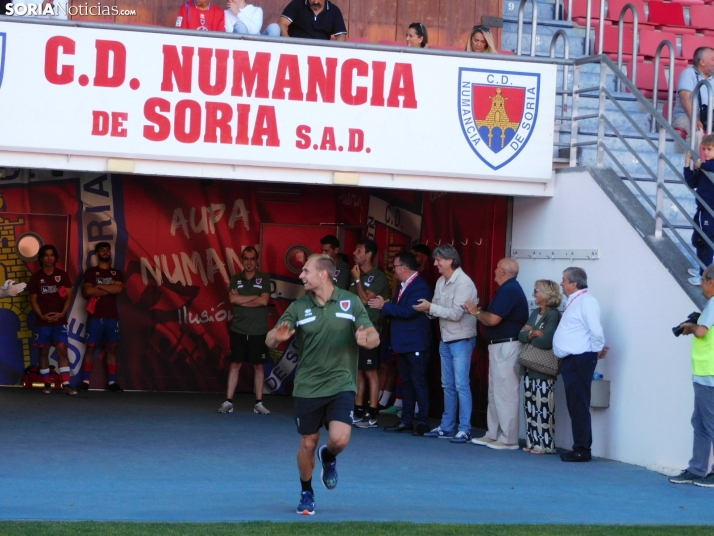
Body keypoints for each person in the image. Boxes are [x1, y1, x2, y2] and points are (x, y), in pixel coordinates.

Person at [266, 254, 379, 515]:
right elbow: (271, 339)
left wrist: (367, 338)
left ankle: (329, 457)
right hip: (308, 386)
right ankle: (307, 492)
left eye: (306, 271)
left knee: (339, 439)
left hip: (341, 384)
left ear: (323, 274)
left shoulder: (351, 302)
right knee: (308, 444)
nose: (301, 275)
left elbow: (372, 334)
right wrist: (276, 337)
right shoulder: (298, 307)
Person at [414, 244, 477, 443]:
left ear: (450, 260)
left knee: (461, 385)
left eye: (438, 260)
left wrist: (431, 307)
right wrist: (427, 309)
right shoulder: (441, 281)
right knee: (448, 385)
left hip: (461, 339)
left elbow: (456, 314)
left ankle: (465, 429)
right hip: (446, 339)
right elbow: (438, 309)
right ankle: (447, 426)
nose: (435, 264)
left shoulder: (464, 283)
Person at [466, 258, 529, 451]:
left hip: (506, 346)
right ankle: (493, 434)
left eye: (496, 268)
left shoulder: (509, 290)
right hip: (500, 346)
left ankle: (508, 439)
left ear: (503, 271)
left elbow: (492, 320)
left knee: (505, 393)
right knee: (495, 392)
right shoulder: (509, 289)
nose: (494, 271)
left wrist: (475, 312)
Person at [368, 251, 433, 436]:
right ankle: (406, 420)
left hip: (415, 342)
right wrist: (386, 304)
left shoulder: (420, 286)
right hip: (403, 342)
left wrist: (385, 306)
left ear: (405, 267)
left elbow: (410, 311)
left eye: (395, 267)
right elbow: (400, 308)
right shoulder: (404, 285)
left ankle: (422, 422)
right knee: (406, 382)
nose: (393, 271)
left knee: (418, 382)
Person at [552, 267, 609, 462]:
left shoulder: (586, 301)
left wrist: (593, 351)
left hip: (580, 359)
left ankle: (582, 449)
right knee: (575, 404)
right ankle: (581, 447)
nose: (561, 283)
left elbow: (596, 331)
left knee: (578, 404)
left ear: (574, 283)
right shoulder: (577, 301)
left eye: (564, 280)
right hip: (574, 359)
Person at [669, 264, 714, 487]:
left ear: (711, 282)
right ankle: (697, 469)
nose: (702, 286)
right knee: (701, 423)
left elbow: (703, 331)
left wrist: (690, 327)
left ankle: (701, 469)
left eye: (703, 281)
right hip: (704, 373)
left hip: (709, 373)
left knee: (708, 424)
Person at [218, 247, 272, 415]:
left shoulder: (263, 278)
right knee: (235, 364)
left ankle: (259, 403)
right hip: (239, 329)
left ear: (257, 261)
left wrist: (243, 299)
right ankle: (228, 402)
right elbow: (233, 298)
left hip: (258, 329)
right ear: (242, 261)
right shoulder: (235, 279)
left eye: (252, 259)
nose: (249, 262)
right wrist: (254, 297)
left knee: (258, 366)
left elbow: (264, 301)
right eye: (246, 259)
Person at [517, 280, 562, 454]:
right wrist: (533, 333)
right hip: (528, 368)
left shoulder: (553, 315)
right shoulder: (535, 311)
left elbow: (546, 341)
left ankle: (545, 445)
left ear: (546, 294)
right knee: (529, 406)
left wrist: (529, 333)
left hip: (543, 369)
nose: (534, 294)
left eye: (536, 291)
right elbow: (520, 336)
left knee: (543, 406)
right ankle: (533, 440)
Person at [350, 238, 388, 428]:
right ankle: (358, 410)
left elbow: (365, 300)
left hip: (370, 329)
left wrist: (357, 280)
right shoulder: (354, 275)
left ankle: (372, 413)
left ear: (369, 254)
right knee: (358, 371)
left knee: (371, 371)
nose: (355, 253)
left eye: (359, 250)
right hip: (354, 329)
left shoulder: (378, 277)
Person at [28, 245, 76, 396]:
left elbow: (69, 296)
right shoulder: (35, 278)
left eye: (51, 255)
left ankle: (66, 384)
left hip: (59, 322)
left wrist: (62, 313)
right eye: (46, 255)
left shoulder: (62, 275)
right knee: (43, 352)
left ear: (56, 258)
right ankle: (47, 384)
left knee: (62, 351)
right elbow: (33, 300)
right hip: (43, 322)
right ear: (41, 258)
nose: (49, 258)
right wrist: (41, 315)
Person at [78, 242, 125, 393]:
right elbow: (88, 291)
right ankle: (85, 382)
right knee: (91, 348)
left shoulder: (116, 273)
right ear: (96, 254)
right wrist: (109, 289)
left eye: (107, 250)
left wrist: (100, 287)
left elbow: (119, 288)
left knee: (111, 348)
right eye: (102, 250)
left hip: (112, 317)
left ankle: (112, 382)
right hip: (95, 317)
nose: (105, 252)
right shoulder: (91, 273)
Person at [673, 47, 714, 157]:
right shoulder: (689, 73)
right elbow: (684, 98)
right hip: (685, 116)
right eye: (713, 59)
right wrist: (693, 118)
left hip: (709, 118)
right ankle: (691, 166)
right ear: (702, 62)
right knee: (697, 130)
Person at [685, 135, 714, 286]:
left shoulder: (707, 166)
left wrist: (701, 165)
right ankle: (700, 267)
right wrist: (687, 166)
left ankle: (705, 276)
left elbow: (711, 166)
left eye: (709, 149)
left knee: (708, 242)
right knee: (697, 240)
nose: (706, 152)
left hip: (711, 212)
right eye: (704, 149)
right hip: (701, 210)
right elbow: (692, 182)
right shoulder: (704, 166)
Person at [269, 0, 347, 41]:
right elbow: (282, 23)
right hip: (296, 47)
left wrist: (334, 51)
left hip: (321, 51)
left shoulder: (334, 11)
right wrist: (288, 42)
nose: (316, 2)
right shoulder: (297, 3)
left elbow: (341, 35)